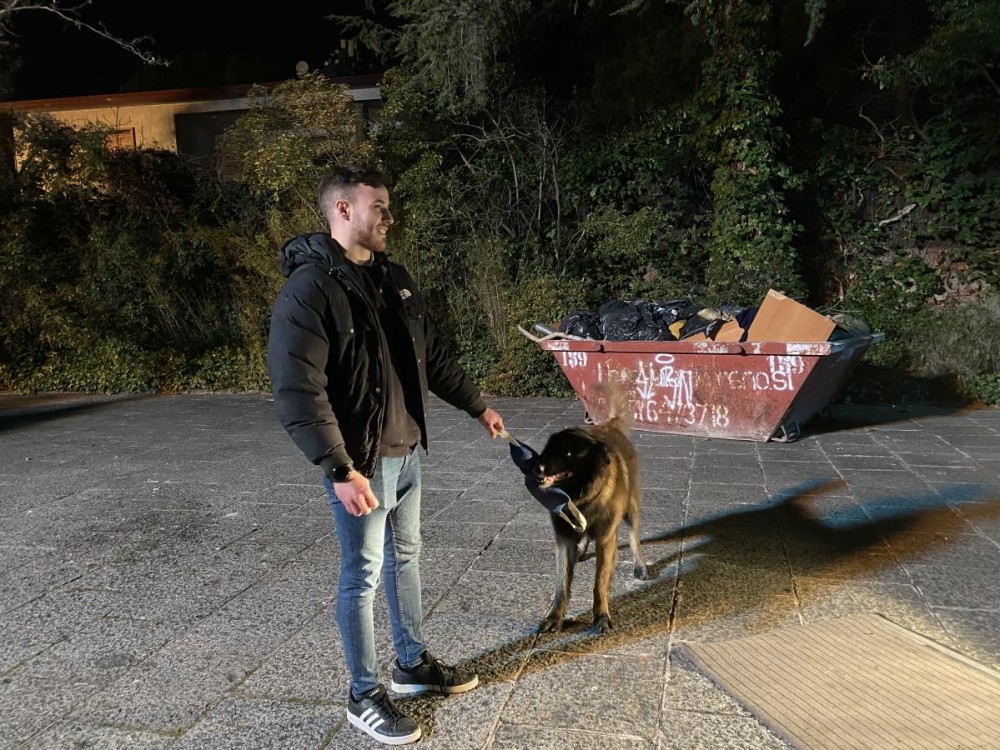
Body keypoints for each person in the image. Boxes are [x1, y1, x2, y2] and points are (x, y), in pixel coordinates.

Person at [266, 165, 505, 745]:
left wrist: (476, 407)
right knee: (362, 575)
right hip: (361, 462)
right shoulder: (310, 289)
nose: (389, 217)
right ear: (343, 210)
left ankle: (412, 664)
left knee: (408, 558)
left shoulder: (393, 277)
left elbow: (432, 354)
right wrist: (338, 467)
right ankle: (363, 695)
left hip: (407, 448)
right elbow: (298, 387)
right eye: (379, 207)